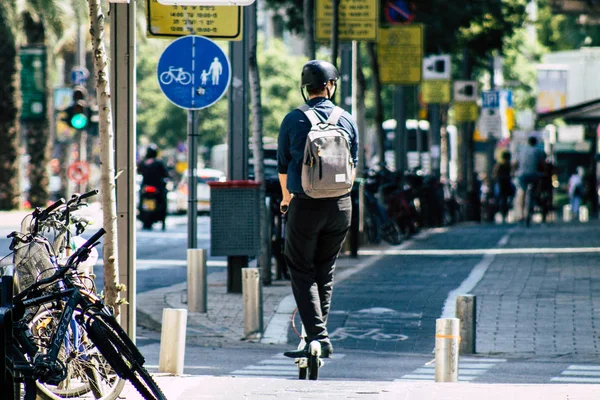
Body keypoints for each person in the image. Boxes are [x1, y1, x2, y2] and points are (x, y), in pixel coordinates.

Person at [278, 60, 359, 359]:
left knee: (300, 267)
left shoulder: (293, 119)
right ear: (330, 85)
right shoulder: (346, 119)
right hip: (340, 205)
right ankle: (316, 336)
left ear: (305, 88)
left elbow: (284, 166)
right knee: (325, 271)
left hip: (306, 204)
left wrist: (287, 200)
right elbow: (354, 164)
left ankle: (318, 337)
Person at [137, 144, 169, 230]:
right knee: (163, 201)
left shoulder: (143, 162)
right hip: (157, 187)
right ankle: (162, 219)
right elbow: (166, 174)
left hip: (146, 187)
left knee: (141, 199)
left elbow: (138, 171)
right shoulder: (159, 163)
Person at [514, 136, 546, 220]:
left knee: (522, 192)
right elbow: (542, 163)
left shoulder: (521, 150)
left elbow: (515, 163)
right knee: (538, 185)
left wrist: (515, 171)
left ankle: (521, 214)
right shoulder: (538, 150)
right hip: (534, 174)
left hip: (522, 174)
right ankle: (536, 196)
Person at [492, 151, 514, 223]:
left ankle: (504, 213)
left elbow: (494, 175)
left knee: (503, 199)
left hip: (503, 184)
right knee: (504, 199)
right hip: (504, 184)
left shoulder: (500, 165)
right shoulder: (506, 165)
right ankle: (504, 213)